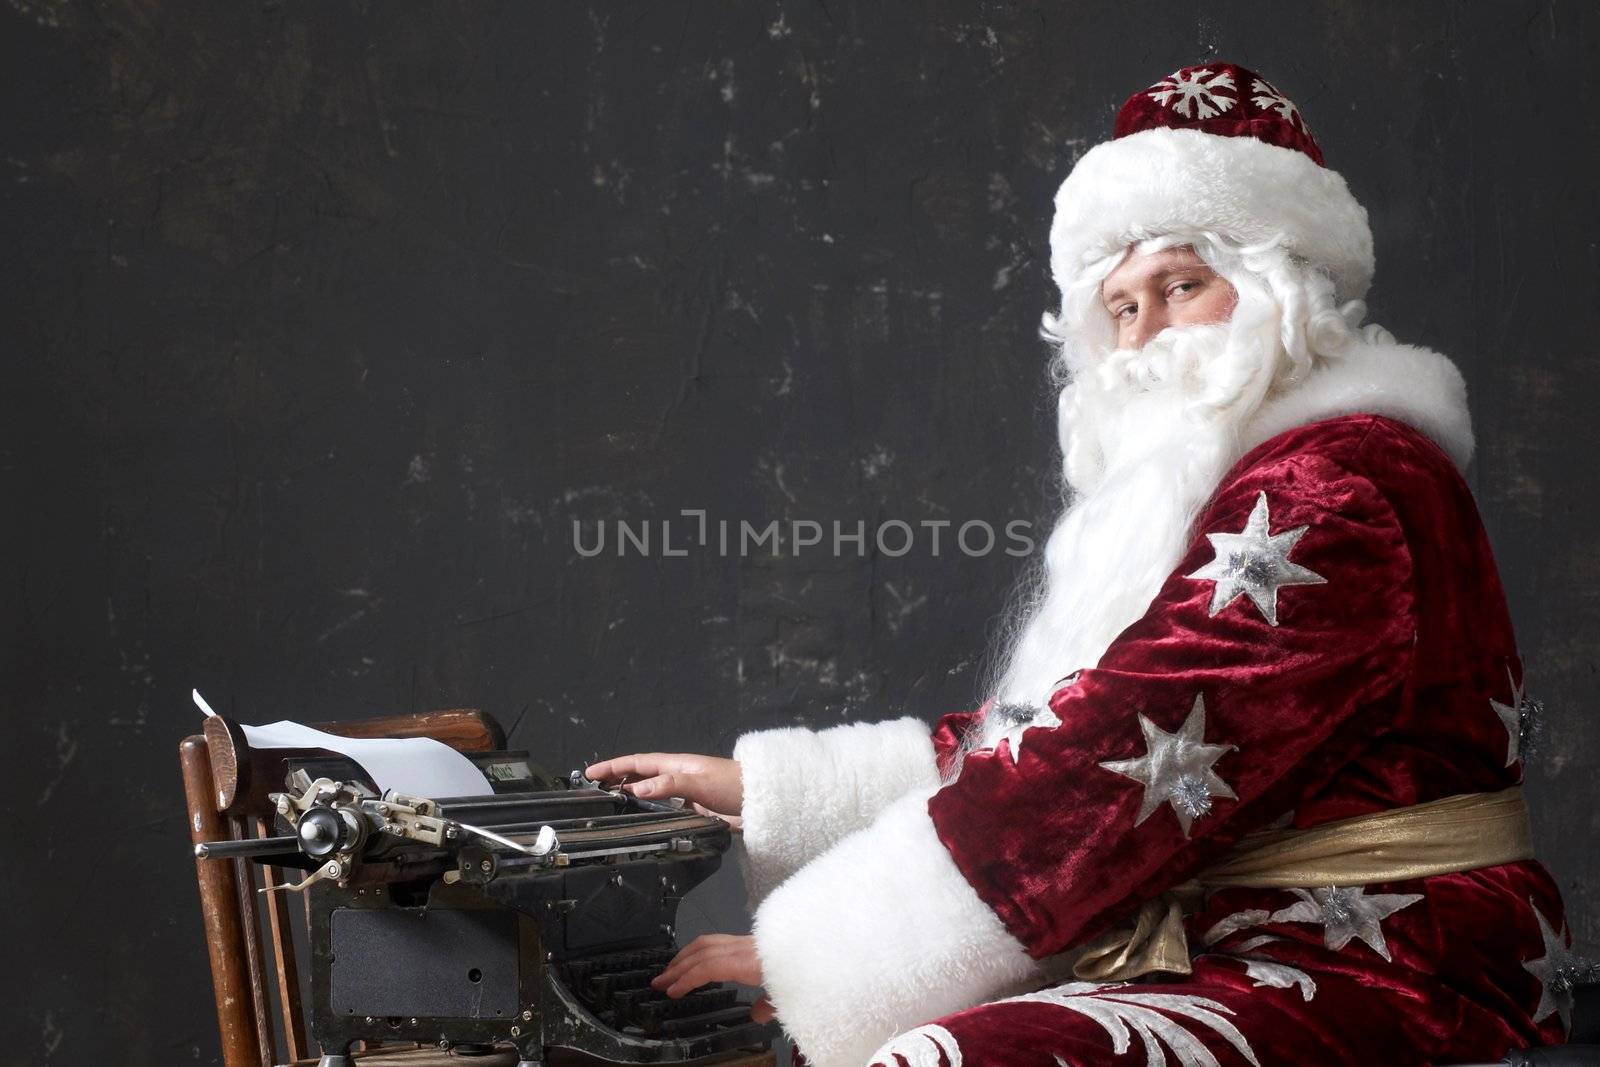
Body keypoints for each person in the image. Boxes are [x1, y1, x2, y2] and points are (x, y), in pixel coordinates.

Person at [587, 62, 1578, 1066]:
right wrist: (773, 789)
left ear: (1278, 288)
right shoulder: (1248, 481)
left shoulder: (1342, 481)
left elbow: (1126, 737)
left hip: (1399, 955)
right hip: (1243, 935)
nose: (1143, 333)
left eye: (1178, 285)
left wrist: (820, 953)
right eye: (1119, 307)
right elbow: (1087, 713)